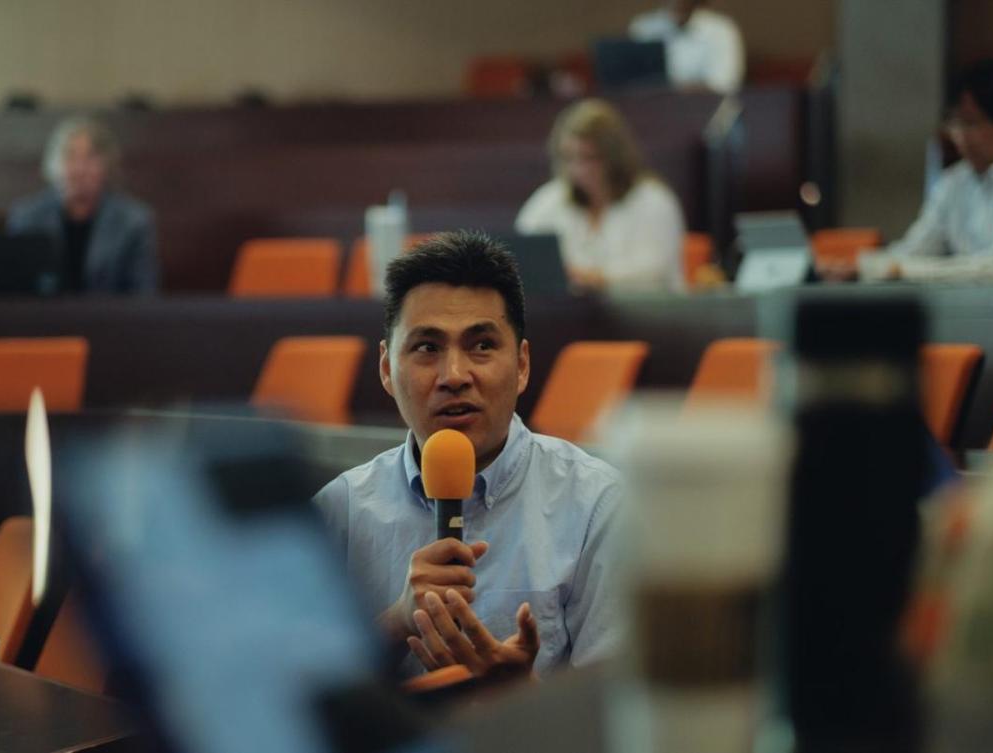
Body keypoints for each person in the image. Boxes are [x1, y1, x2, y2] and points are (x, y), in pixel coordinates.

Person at [314, 231, 627, 680]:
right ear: (386, 368)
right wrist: (396, 623)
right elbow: (276, 699)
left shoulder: (598, 506)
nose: (455, 375)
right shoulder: (338, 510)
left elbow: (622, 715)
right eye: (427, 348)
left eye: (481, 345)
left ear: (521, 365)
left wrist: (523, 698)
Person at [857, 60, 993, 283]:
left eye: (970, 123)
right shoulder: (953, 182)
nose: (959, 136)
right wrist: (861, 267)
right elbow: (915, 250)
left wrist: (898, 271)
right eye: (955, 123)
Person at [515, 99, 686, 292]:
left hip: (647, 318)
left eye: (589, 158)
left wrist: (594, 278)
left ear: (613, 156)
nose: (578, 169)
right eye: (569, 157)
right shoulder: (548, 201)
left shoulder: (654, 200)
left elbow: (655, 274)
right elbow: (522, 261)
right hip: (569, 317)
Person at [7, 116, 159, 294]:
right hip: (44, 320)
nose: (79, 169)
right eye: (69, 156)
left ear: (107, 166)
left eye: (90, 158)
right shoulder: (27, 217)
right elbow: (15, 295)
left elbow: (144, 295)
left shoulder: (133, 221)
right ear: (53, 165)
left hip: (112, 320)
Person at [628, 0, 745, 95]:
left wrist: (671, 89)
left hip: (705, 110)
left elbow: (724, 84)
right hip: (653, 109)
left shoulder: (721, 29)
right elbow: (634, 83)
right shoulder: (643, 27)